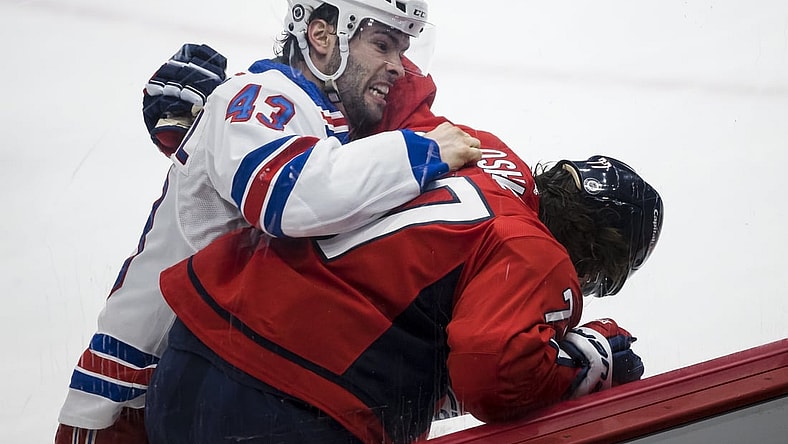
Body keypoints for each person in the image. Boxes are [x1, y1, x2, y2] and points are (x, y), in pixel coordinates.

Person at [55, 0, 484, 442]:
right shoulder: (263, 94)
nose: (399, 67)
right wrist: (422, 152)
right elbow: (289, 196)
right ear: (321, 36)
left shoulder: (330, 125)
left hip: (214, 381)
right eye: (383, 45)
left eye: (403, 49)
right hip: (131, 401)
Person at [145, 146, 663, 443]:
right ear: (599, 251)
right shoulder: (536, 254)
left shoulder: (477, 149)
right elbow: (493, 373)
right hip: (294, 408)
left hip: (191, 354)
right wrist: (586, 360)